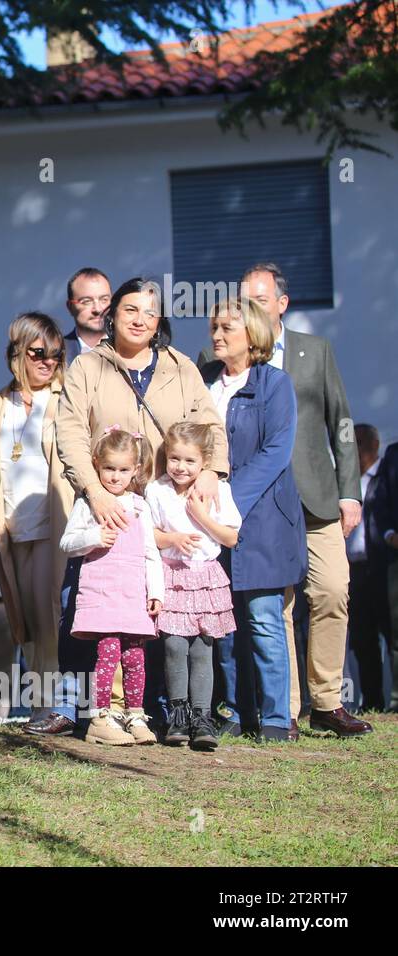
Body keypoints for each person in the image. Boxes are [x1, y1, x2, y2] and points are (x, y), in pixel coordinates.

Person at [46, 277, 227, 738]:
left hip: (166, 504)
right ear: (113, 315)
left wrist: (212, 471)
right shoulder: (89, 367)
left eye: (149, 311)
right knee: (90, 603)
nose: (140, 319)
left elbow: (210, 425)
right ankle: (85, 709)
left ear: (159, 319)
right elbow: (68, 433)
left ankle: (156, 710)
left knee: (157, 608)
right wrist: (95, 491)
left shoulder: (180, 366)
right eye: (130, 310)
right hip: (107, 501)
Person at [204, 263, 368, 737]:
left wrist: (349, 491)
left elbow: (341, 423)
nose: (248, 307)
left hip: (314, 497)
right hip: (256, 506)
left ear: (281, 304)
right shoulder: (212, 362)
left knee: (332, 591)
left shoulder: (313, 351)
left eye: (259, 299)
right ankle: (286, 709)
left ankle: (329, 699)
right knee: (273, 607)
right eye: (242, 299)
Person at [201, 296, 307, 742]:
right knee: (222, 624)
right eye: (215, 328)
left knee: (263, 618)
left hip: (260, 520)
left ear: (254, 336)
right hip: (207, 522)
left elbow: (276, 453)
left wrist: (226, 499)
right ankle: (235, 711)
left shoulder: (274, 384)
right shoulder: (203, 381)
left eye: (228, 328)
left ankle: (277, 718)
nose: (217, 335)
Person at [0, 313, 74, 732]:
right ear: (17, 353)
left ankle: (52, 706)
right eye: (38, 352)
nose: (47, 361)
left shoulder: (65, 399)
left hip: (53, 523)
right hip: (8, 525)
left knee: (46, 611)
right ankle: (40, 706)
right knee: (20, 617)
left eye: (55, 354)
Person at [59, 426, 163, 745]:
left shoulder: (140, 506)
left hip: (132, 595)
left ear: (135, 470)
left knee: (135, 657)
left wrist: (156, 591)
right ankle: (100, 717)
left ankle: (133, 713)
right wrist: (94, 538)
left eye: (123, 470)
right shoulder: (88, 504)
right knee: (108, 653)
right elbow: (67, 543)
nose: (115, 477)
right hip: (102, 592)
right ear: (96, 465)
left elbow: (150, 553)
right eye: (109, 469)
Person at [146, 422, 241, 750]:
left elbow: (231, 537)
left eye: (189, 461)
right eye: (175, 459)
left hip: (204, 577)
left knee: (202, 647)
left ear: (204, 462)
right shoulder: (156, 490)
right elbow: (150, 535)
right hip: (171, 575)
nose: (181, 468)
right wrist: (172, 538)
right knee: (173, 645)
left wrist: (201, 516)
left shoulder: (216, 491)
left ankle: (202, 717)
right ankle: (178, 712)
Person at [347, 425, 389, 712]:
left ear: (375, 445)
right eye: (353, 444)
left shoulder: (386, 477)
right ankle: (372, 700)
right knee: (362, 638)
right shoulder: (346, 481)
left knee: (391, 632)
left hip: (383, 566)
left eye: (361, 443)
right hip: (354, 570)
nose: (357, 450)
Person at [369, 439, 398, 709]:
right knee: (395, 629)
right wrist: (390, 534)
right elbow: (382, 503)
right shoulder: (394, 454)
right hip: (394, 557)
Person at [64, 267, 110, 363]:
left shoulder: (132, 347)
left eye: (104, 299)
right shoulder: (57, 353)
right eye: (87, 301)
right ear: (70, 307)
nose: (98, 309)